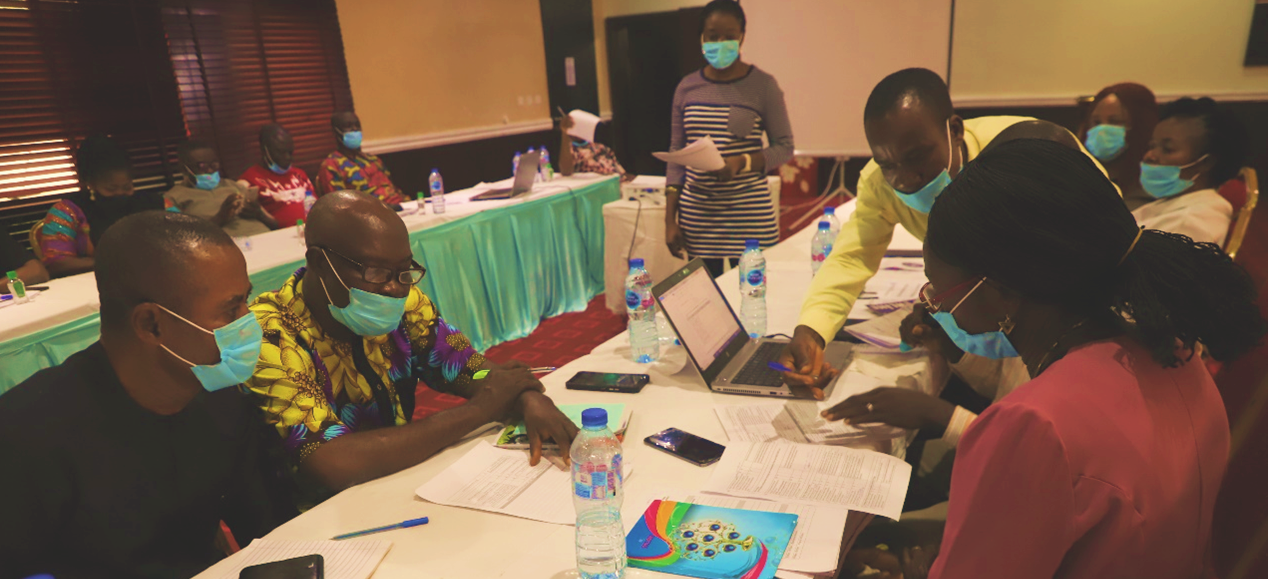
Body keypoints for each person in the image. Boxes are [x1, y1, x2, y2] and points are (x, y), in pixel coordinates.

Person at [835, 139, 1262, 578]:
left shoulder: (1035, 425)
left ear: (1000, 289)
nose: (937, 308)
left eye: (937, 293)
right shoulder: (1173, 351)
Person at [779, 68, 1110, 399]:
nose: (905, 178)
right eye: (888, 164)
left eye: (917, 156)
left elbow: (1103, 239)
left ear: (954, 130)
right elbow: (852, 256)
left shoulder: (1031, 153)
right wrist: (812, 329)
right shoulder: (880, 183)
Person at [0, 211, 292, 578]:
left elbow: (268, 535)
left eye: (246, 302)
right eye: (230, 310)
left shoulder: (221, 402)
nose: (249, 323)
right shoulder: (26, 435)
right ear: (151, 324)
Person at [246, 192, 577, 503]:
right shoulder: (272, 334)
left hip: (398, 481)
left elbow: (465, 366)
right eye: (376, 272)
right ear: (319, 262)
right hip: (318, 518)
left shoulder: (406, 301)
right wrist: (481, 410)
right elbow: (332, 462)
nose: (394, 289)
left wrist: (526, 396)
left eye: (404, 271)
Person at [664, 0, 793, 277]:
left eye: (729, 36)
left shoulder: (763, 86)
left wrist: (741, 162)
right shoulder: (687, 88)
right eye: (713, 36)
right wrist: (669, 219)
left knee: (751, 296)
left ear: (742, 37)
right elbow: (676, 152)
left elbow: (785, 147)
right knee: (706, 304)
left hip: (749, 214)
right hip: (698, 215)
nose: (720, 43)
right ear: (702, 37)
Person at [33, 134, 165, 277]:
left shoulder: (152, 202)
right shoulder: (68, 210)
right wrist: (112, 264)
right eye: (111, 189)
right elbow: (56, 263)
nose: (120, 193)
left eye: (127, 187)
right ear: (91, 184)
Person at [1133, 97, 1247, 247]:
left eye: (1167, 149)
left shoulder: (1191, 224)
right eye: (1152, 146)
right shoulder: (1171, 205)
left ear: (1205, 162)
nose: (1150, 156)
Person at [166, 140, 275, 236]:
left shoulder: (234, 186)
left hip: (264, 238)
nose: (209, 171)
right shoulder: (172, 198)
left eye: (214, 165)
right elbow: (179, 237)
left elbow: (275, 224)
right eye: (201, 166)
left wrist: (259, 214)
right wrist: (219, 219)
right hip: (225, 250)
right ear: (184, 169)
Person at [1079, 82, 1158, 210]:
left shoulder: (1153, 188)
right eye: (1096, 122)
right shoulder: (1078, 179)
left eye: (1114, 122)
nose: (1101, 131)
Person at [316, 111, 404, 207]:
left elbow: (394, 190)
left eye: (357, 125)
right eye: (348, 126)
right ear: (335, 131)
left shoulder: (373, 160)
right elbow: (341, 206)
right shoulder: (331, 166)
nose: (354, 129)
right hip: (372, 215)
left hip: (401, 207)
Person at [240, 123, 314, 228]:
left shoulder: (299, 174)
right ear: (265, 150)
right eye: (281, 152)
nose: (288, 158)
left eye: (290, 152)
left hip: (313, 231)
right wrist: (261, 215)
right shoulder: (249, 180)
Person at [558, 109, 633, 181]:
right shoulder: (572, 151)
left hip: (619, 183)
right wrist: (565, 133)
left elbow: (621, 173)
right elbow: (566, 171)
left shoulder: (601, 147)